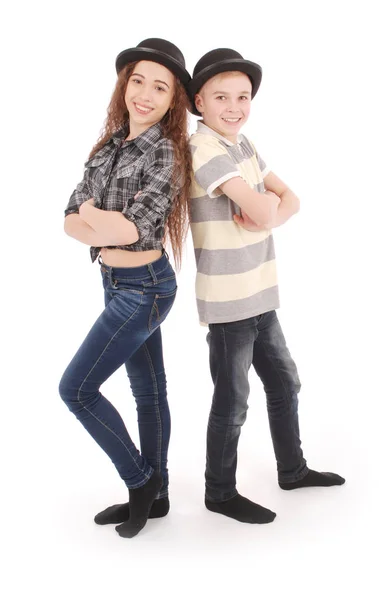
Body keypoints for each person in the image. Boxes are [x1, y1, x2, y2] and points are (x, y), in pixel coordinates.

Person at [188, 48, 345, 524]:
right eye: (221, 97)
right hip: (228, 301)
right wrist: (267, 212)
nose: (234, 106)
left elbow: (290, 198)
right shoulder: (205, 150)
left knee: (284, 383)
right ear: (199, 101)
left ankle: (292, 470)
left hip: (261, 291)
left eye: (242, 96)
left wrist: (265, 215)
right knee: (233, 402)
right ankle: (219, 492)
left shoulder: (244, 144)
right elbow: (268, 207)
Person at [59, 38, 192, 538]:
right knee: (148, 390)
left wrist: (92, 216)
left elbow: (129, 230)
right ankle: (156, 497)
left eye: (160, 87)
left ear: (173, 99)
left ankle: (138, 479)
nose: (146, 94)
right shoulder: (107, 145)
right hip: (113, 282)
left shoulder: (166, 154)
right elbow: (67, 221)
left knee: (76, 389)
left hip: (147, 288)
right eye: (138, 80)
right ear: (125, 84)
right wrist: (94, 221)